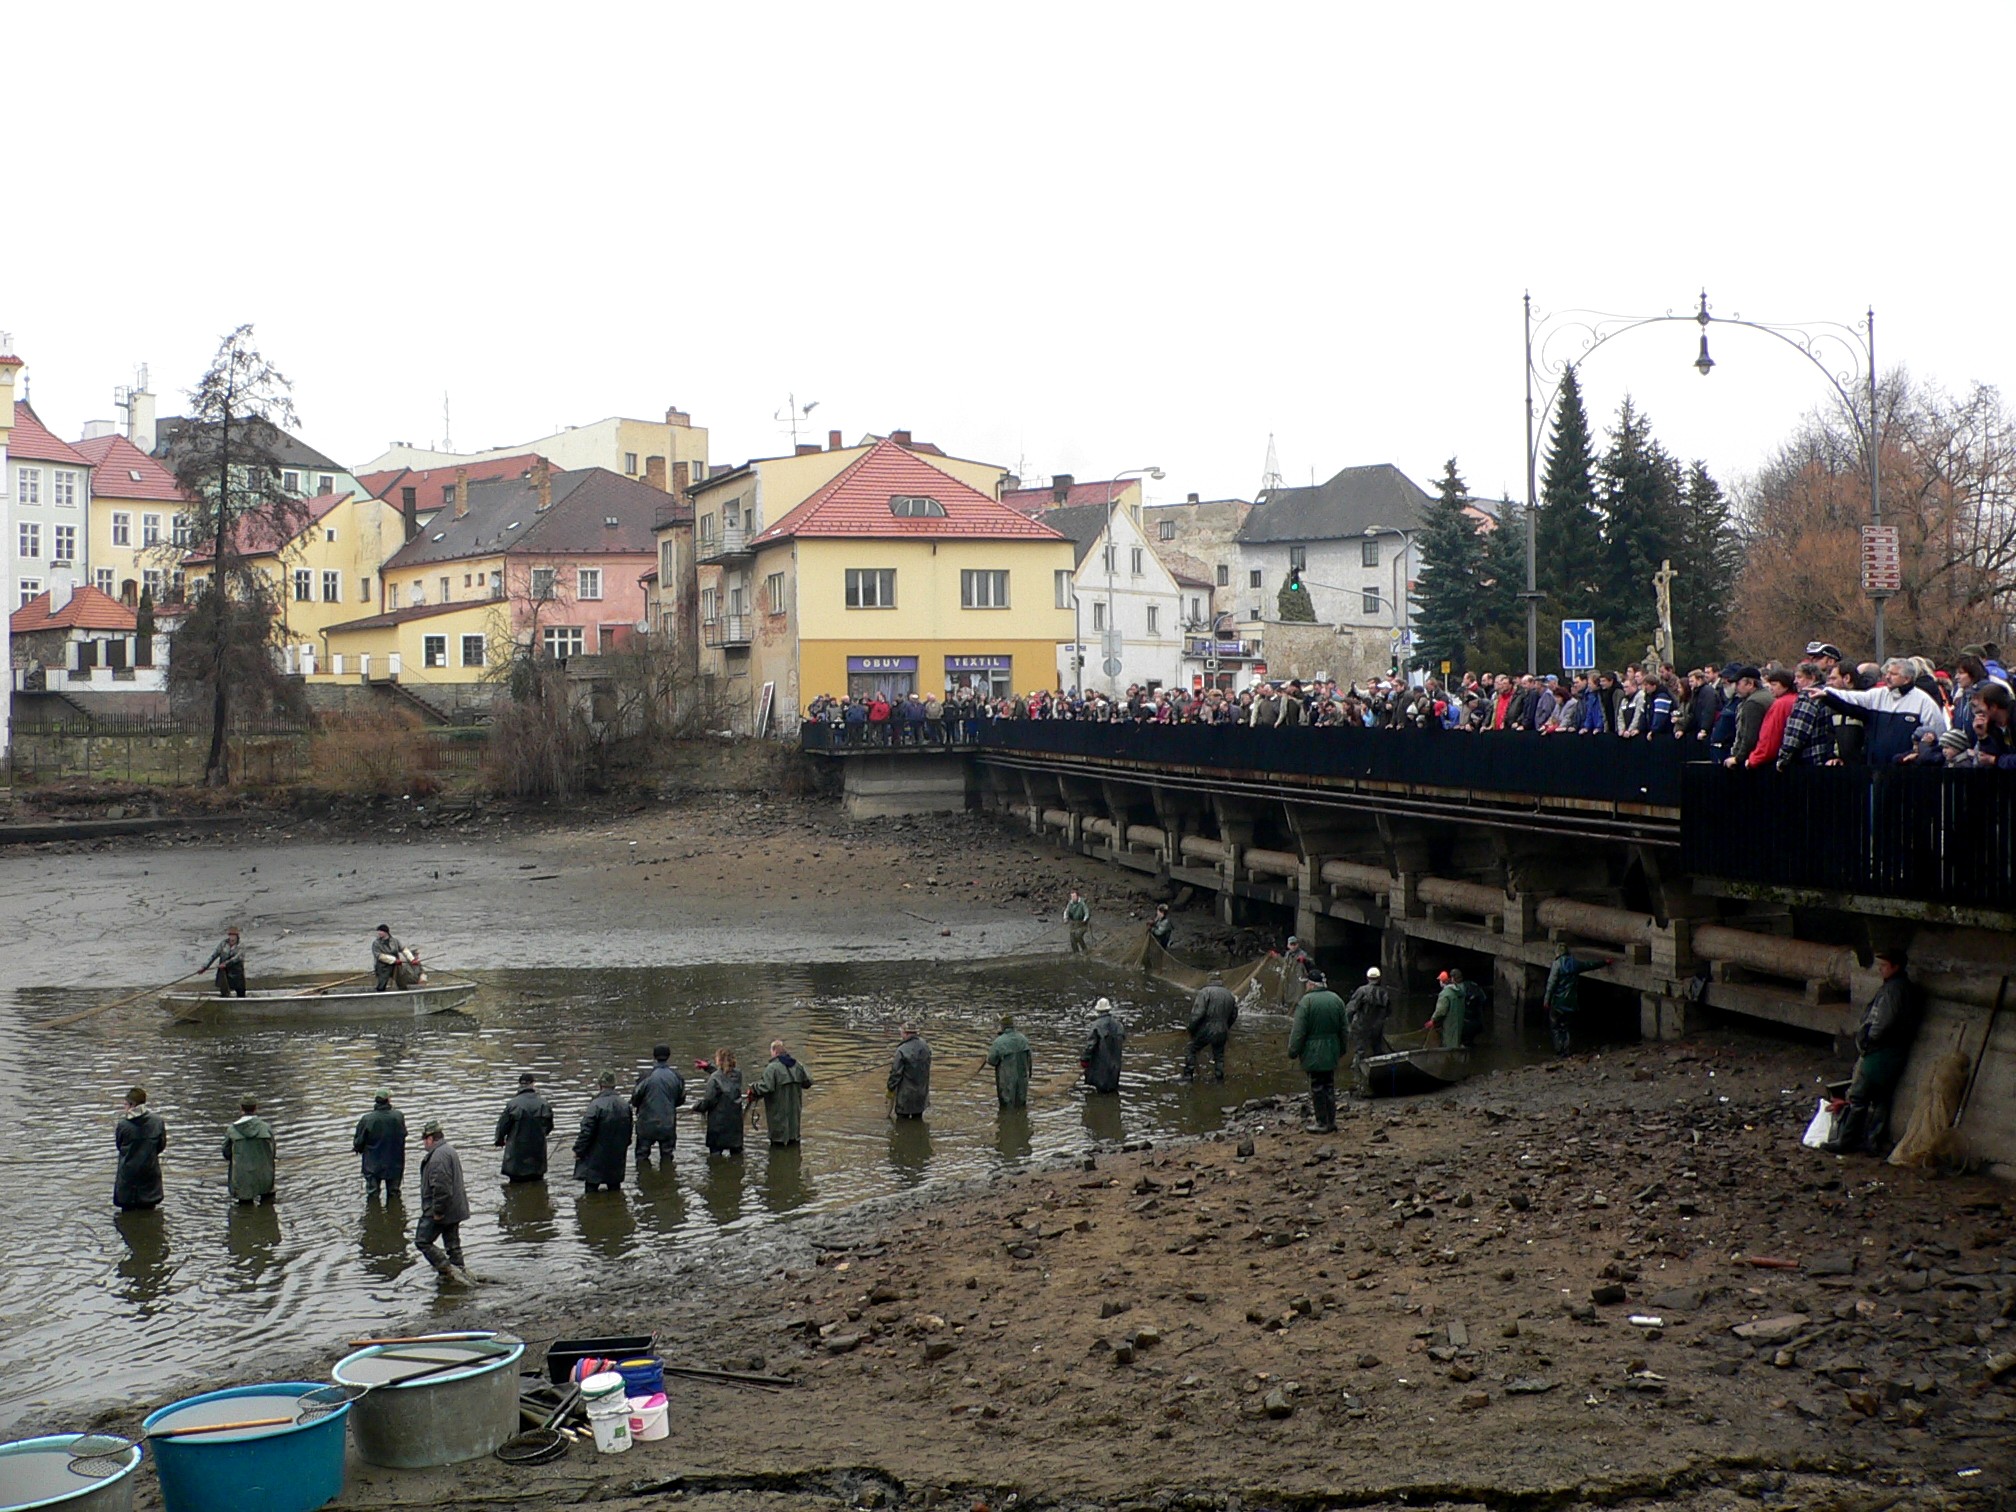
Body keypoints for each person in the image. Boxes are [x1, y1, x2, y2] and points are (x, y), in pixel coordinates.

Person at [1825, 950, 1920, 1156]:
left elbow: (1884, 1021)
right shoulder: (1902, 988)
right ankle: (1872, 1142)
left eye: (1884, 966)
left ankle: (1846, 1140)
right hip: (1893, 1050)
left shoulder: (1893, 990)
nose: (1880, 969)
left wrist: (1869, 1039)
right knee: (1881, 1098)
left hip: (1881, 1050)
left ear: (1895, 967)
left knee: (1860, 1096)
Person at [1288, 968, 1347, 1133]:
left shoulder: (1306, 1002)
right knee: (1329, 1085)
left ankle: (1321, 1122)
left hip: (1313, 1052)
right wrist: (1342, 1049)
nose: (1306, 986)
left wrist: (1293, 1051)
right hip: (1332, 1050)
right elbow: (1344, 1029)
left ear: (1312, 985)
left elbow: (1298, 1031)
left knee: (1317, 1086)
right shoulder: (1336, 999)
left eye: (1307, 983)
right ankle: (1331, 1121)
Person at [415, 1119, 473, 1285]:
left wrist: (438, 1211)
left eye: (424, 1139)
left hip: (442, 1210)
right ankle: (460, 1272)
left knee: (422, 1241)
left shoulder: (437, 1157)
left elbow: (441, 1188)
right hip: (455, 1208)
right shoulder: (448, 1150)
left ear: (430, 1138)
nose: (424, 1144)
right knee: (452, 1245)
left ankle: (447, 1271)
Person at [1544, 946, 1614, 1056]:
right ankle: (1567, 1050)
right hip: (1570, 1003)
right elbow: (1589, 965)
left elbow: (1551, 985)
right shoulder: (1575, 964)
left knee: (1556, 1027)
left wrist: (1546, 1000)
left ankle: (1559, 1050)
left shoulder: (1556, 965)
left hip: (1557, 1002)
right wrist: (1604, 962)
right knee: (1566, 1027)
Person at [574, 1071, 633, 1191]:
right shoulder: (625, 1105)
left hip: (595, 1159)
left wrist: (578, 1150)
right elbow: (629, 1132)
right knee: (615, 1190)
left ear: (600, 1085)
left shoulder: (595, 1105)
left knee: (591, 1192)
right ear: (614, 1085)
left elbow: (586, 1131)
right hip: (617, 1158)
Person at [750, 1039, 813, 1147]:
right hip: (794, 1123)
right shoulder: (798, 1066)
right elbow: (808, 1082)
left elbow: (766, 1087)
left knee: (777, 1146)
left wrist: (753, 1088)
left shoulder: (771, 1068)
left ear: (774, 1051)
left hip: (778, 1116)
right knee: (794, 1144)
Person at [113, 1086, 167, 1211]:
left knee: (127, 1214)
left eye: (125, 1104)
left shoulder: (123, 1125)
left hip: (128, 1178)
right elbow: (161, 1146)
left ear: (132, 1105)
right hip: (150, 1175)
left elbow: (119, 1146)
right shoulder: (157, 1122)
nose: (124, 1107)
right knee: (150, 1211)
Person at [631, 1046, 686, 1165]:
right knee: (667, 1157)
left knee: (642, 1156)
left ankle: (643, 1175)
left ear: (654, 1056)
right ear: (668, 1056)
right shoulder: (676, 1077)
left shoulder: (646, 1076)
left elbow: (635, 1099)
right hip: (668, 1124)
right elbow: (681, 1099)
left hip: (646, 1125)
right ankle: (667, 1175)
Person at [494, 1073, 553, 1183]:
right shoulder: (544, 1104)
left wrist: (499, 1141)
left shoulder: (512, 1104)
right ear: (533, 1084)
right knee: (538, 1183)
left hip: (516, 1156)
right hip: (537, 1154)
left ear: (520, 1084)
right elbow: (549, 1126)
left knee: (515, 1185)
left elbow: (502, 1127)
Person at [1184, 971, 1239, 1082]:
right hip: (1222, 1030)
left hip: (1207, 1028)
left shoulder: (1205, 992)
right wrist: (1226, 1026)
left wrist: (1191, 1028)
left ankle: (1188, 1077)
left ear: (1209, 980)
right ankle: (1219, 1079)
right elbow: (1234, 1015)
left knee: (1191, 1050)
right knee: (1219, 1056)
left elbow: (1198, 1014)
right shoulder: (1230, 995)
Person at [354, 1088, 407, 1200]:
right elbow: (403, 1135)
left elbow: (358, 1143)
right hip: (395, 1163)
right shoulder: (398, 1116)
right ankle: (395, 1210)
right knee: (394, 1194)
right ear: (388, 1100)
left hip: (372, 1165)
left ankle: (373, 1210)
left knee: (372, 1195)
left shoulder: (367, 1119)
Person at [221, 1096, 276, 1205]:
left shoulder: (232, 1130)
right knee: (268, 1206)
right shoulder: (266, 1128)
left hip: (242, 1178)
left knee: (244, 1208)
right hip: (265, 1176)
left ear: (241, 1108)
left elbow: (226, 1152)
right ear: (256, 1108)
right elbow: (273, 1151)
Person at [693, 1049, 746, 1155]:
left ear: (719, 1061)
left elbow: (708, 1100)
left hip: (718, 1125)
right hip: (735, 1124)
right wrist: (708, 1067)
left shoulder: (714, 1078)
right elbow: (724, 1077)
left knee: (715, 1155)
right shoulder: (738, 1075)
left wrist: (697, 1107)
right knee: (736, 1154)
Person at [1344, 966, 1392, 1065]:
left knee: (1360, 1051)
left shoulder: (1361, 990)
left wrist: (1346, 1023)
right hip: (1377, 1027)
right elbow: (1388, 1011)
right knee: (1377, 1049)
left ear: (1367, 977)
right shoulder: (1384, 992)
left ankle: (1357, 1069)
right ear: (1379, 978)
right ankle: (1378, 1068)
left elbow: (1351, 1008)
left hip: (1361, 1026)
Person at [985, 1015, 1033, 1108]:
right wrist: (1030, 1073)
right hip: (1022, 1081)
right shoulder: (1023, 1039)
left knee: (1006, 1107)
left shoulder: (999, 1042)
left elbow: (991, 1060)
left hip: (1006, 1082)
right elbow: (1029, 1059)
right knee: (1021, 1105)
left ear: (1002, 1026)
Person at [1081, 998, 1126, 1094]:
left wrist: (1084, 1059)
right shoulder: (1118, 1025)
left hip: (1100, 1065)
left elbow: (1090, 1045)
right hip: (1115, 1065)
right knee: (1112, 1090)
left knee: (1098, 1090)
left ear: (1098, 1011)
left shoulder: (1096, 1025)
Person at [888, 1024, 932, 1119]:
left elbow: (896, 1073)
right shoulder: (925, 1046)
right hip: (921, 1094)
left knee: (902, 1122)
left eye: (901, 1032)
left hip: (905, 1095)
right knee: (918, 1119)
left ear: (906, 1033)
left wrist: (890, 1087)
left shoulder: (901, 1050)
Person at [202, 927, 247, 998]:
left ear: (237, 936)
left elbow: (237, 958)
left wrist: (225, 964)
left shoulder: (241, 946)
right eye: (230, 935)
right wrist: (205, 967)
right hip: (224, 972)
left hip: (236, 972)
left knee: (240, 991)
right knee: (224, 991)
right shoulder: (223, 944)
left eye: (234, 935)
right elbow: (214, 956)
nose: (232, 937)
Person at [1427, 969, 1467, 1048]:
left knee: (1449, 1042)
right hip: (1460, 1021)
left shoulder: (1445, 994)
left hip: (1449, 1023)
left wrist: (1433, 1020)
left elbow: (1441, 1011)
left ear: (1442, 982)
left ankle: (1451, 1054)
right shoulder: (1461, 990)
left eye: (1440, 980)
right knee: (1457, 1040)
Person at [371, 924, 409, 992]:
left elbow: (404, 949)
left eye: (381, 931)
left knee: (401, 981)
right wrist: (394, 960)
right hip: (383, 967)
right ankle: (380, 993)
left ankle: (404, 992)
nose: (379, 933)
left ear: (386, 932)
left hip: (396, 965)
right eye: (378, 931)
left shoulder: (395, 941)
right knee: (382, 983)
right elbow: (379, 956)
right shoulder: (376, 943)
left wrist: (412, 959)